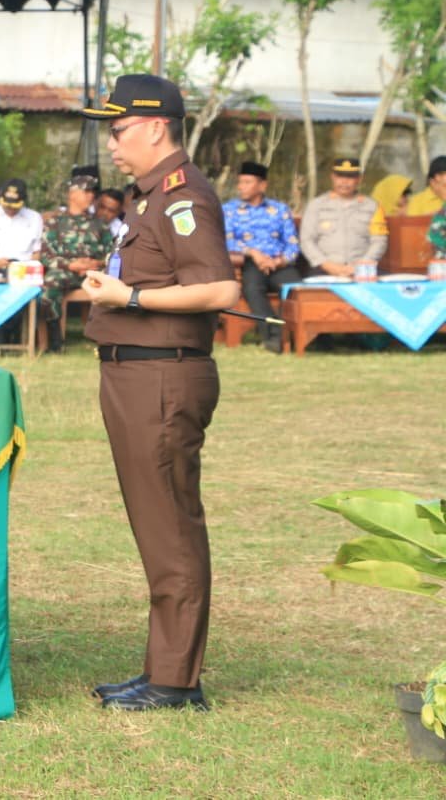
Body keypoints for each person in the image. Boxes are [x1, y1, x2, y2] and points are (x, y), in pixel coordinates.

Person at [79, 73, 240, 711]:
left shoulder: (181, 196)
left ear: (154, 126)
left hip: (162, 378)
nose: (112, 144)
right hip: (137, 373)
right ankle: (161, 668)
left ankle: (175, 680)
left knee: (170, 525)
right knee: (156, 522)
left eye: (118, 131)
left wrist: (132, 296)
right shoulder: (147, 198)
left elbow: (221, 290)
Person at [223, 161, 301, 353]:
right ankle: (273, 336)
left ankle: (294, 335)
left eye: (247, 182)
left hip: (279, 264)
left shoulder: (279, 210)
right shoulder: (230, 210)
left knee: (297, 290)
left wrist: (278, 261)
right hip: (249, 263)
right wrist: (253, 253)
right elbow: (226, 240)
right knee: (252, 288)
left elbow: (292, 244)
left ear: (262, 185)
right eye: (240, 182)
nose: (241, 187)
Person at [38, 172, 112, 352]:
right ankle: (55, 341)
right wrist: (71, 265)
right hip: (66, 271)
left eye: (92, 192)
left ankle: (108, 339)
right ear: (72, 194)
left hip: (95, 271)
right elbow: (46, 255)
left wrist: (97, 264)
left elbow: (113, 253)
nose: (91, 196)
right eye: (86, 192)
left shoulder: (100, 225)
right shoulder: (55, 222)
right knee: (49, 285)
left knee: (115, 284)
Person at [299, 158, 387, 277]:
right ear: (333, 177)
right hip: (324, 268)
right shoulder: (316, 205)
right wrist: (327, 264)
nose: (344, 182)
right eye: (340, 176)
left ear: (359, 179)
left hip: (363, 268)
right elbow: (307, 240)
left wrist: (362, 264)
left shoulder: (372, 206)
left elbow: (379, 241)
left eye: (350, 177)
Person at [0, 178, 43, 271]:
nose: (10, 208)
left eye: (14, 206)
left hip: (24, 272)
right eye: (7, 205)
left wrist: (24, 268)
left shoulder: (35, 218)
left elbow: (36, 252)